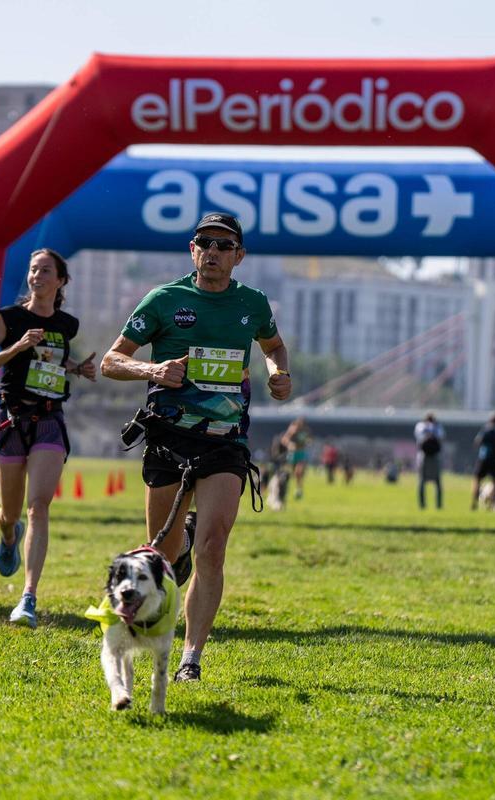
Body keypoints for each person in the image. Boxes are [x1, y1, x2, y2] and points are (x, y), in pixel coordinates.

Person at [101, 211, 291, 683]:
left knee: (214, 548)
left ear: (239, 256)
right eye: (204, 243)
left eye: (223, 245)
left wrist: (276, 373)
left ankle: (191, 656)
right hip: (168, 437)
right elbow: (110, 361)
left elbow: (273, 345)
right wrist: (152, 370)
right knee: (164, 554)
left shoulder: (252, 302)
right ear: (192, 251)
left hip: (226, 441)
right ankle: (178, 541)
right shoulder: (165, 300)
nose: (213, 252)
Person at [0, 248, 96, 629]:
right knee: (10, 514)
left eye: (45, 271)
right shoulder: (8, 318)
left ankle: (28, 598)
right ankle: (9, 538)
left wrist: (76, 368)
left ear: (60, 281)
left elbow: (50, 363)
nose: (37, 276)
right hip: (11, 418)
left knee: (38, 506)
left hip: (49, 421)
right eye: (33, 270)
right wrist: (17, 347)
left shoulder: (66, 324)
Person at [470, 413, 495, 510]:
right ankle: (493, 503)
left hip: (484, 458)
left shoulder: (486, 430)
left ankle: (474, 502)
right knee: (494, 482)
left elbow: (477, 442)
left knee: (477, 480)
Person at [413, 412, 444, 509]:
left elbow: (418, 437)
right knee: (437, 481)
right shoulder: (437, 427)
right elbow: (441, 438)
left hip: (424, 455)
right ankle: (438, 505)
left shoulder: (420, 426)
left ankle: (422, 504)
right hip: (434, 455)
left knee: (422, 480)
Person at [280, 417, 312, 500]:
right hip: (292, 453)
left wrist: (308, 441)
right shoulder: (292, 429)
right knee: (290, 473)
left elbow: (310, 439)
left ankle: (299, 489)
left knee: (299, 472)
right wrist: (290, 444)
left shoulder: (306, 431)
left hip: (301, 453)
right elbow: (284, 439)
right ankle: (285, 489)